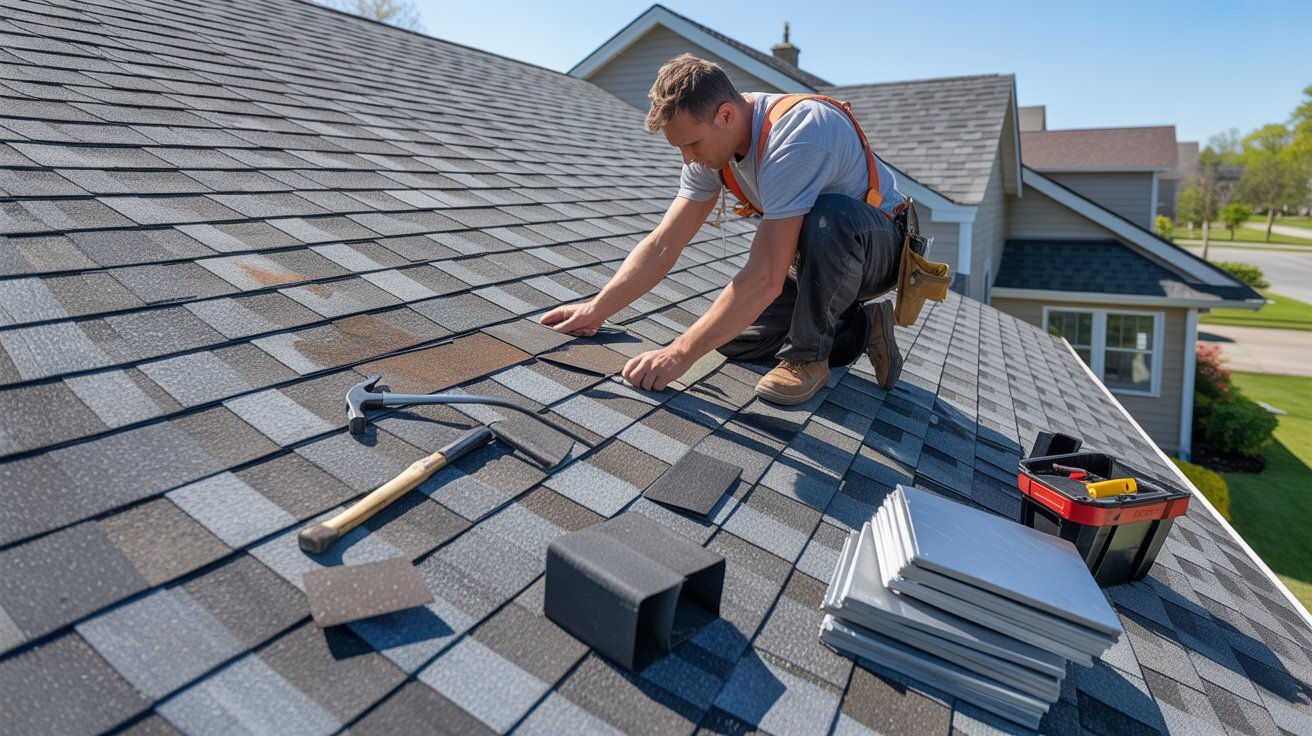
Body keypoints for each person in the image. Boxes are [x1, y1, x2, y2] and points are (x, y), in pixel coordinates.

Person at [541, 53, 908, 404]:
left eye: (692, 144)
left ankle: (807, 358)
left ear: (726, 115)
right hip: (814, 261)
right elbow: (663, 246)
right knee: (734, 338)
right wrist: (596, 309)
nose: (687, 159)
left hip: (877, 244)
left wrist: (679, 354)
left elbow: (765, 277)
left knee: (828, 217)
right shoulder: (711, 153)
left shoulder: (798, 135)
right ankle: (860, 327)